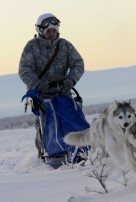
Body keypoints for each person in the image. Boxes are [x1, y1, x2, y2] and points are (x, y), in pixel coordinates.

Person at [19, 13, 85, 159]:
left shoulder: (65, 45)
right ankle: (46, 151)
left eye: (54, 31)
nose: (51, 34)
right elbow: (24, 69)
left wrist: (71, 80)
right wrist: (37, 84)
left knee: (71, 118)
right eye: (48, 31)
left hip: (63, 92)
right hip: (42, 95)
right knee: (46, 123)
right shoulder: (31, 47)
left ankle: (78, 148)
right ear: (41, 31)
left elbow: (78, 64)